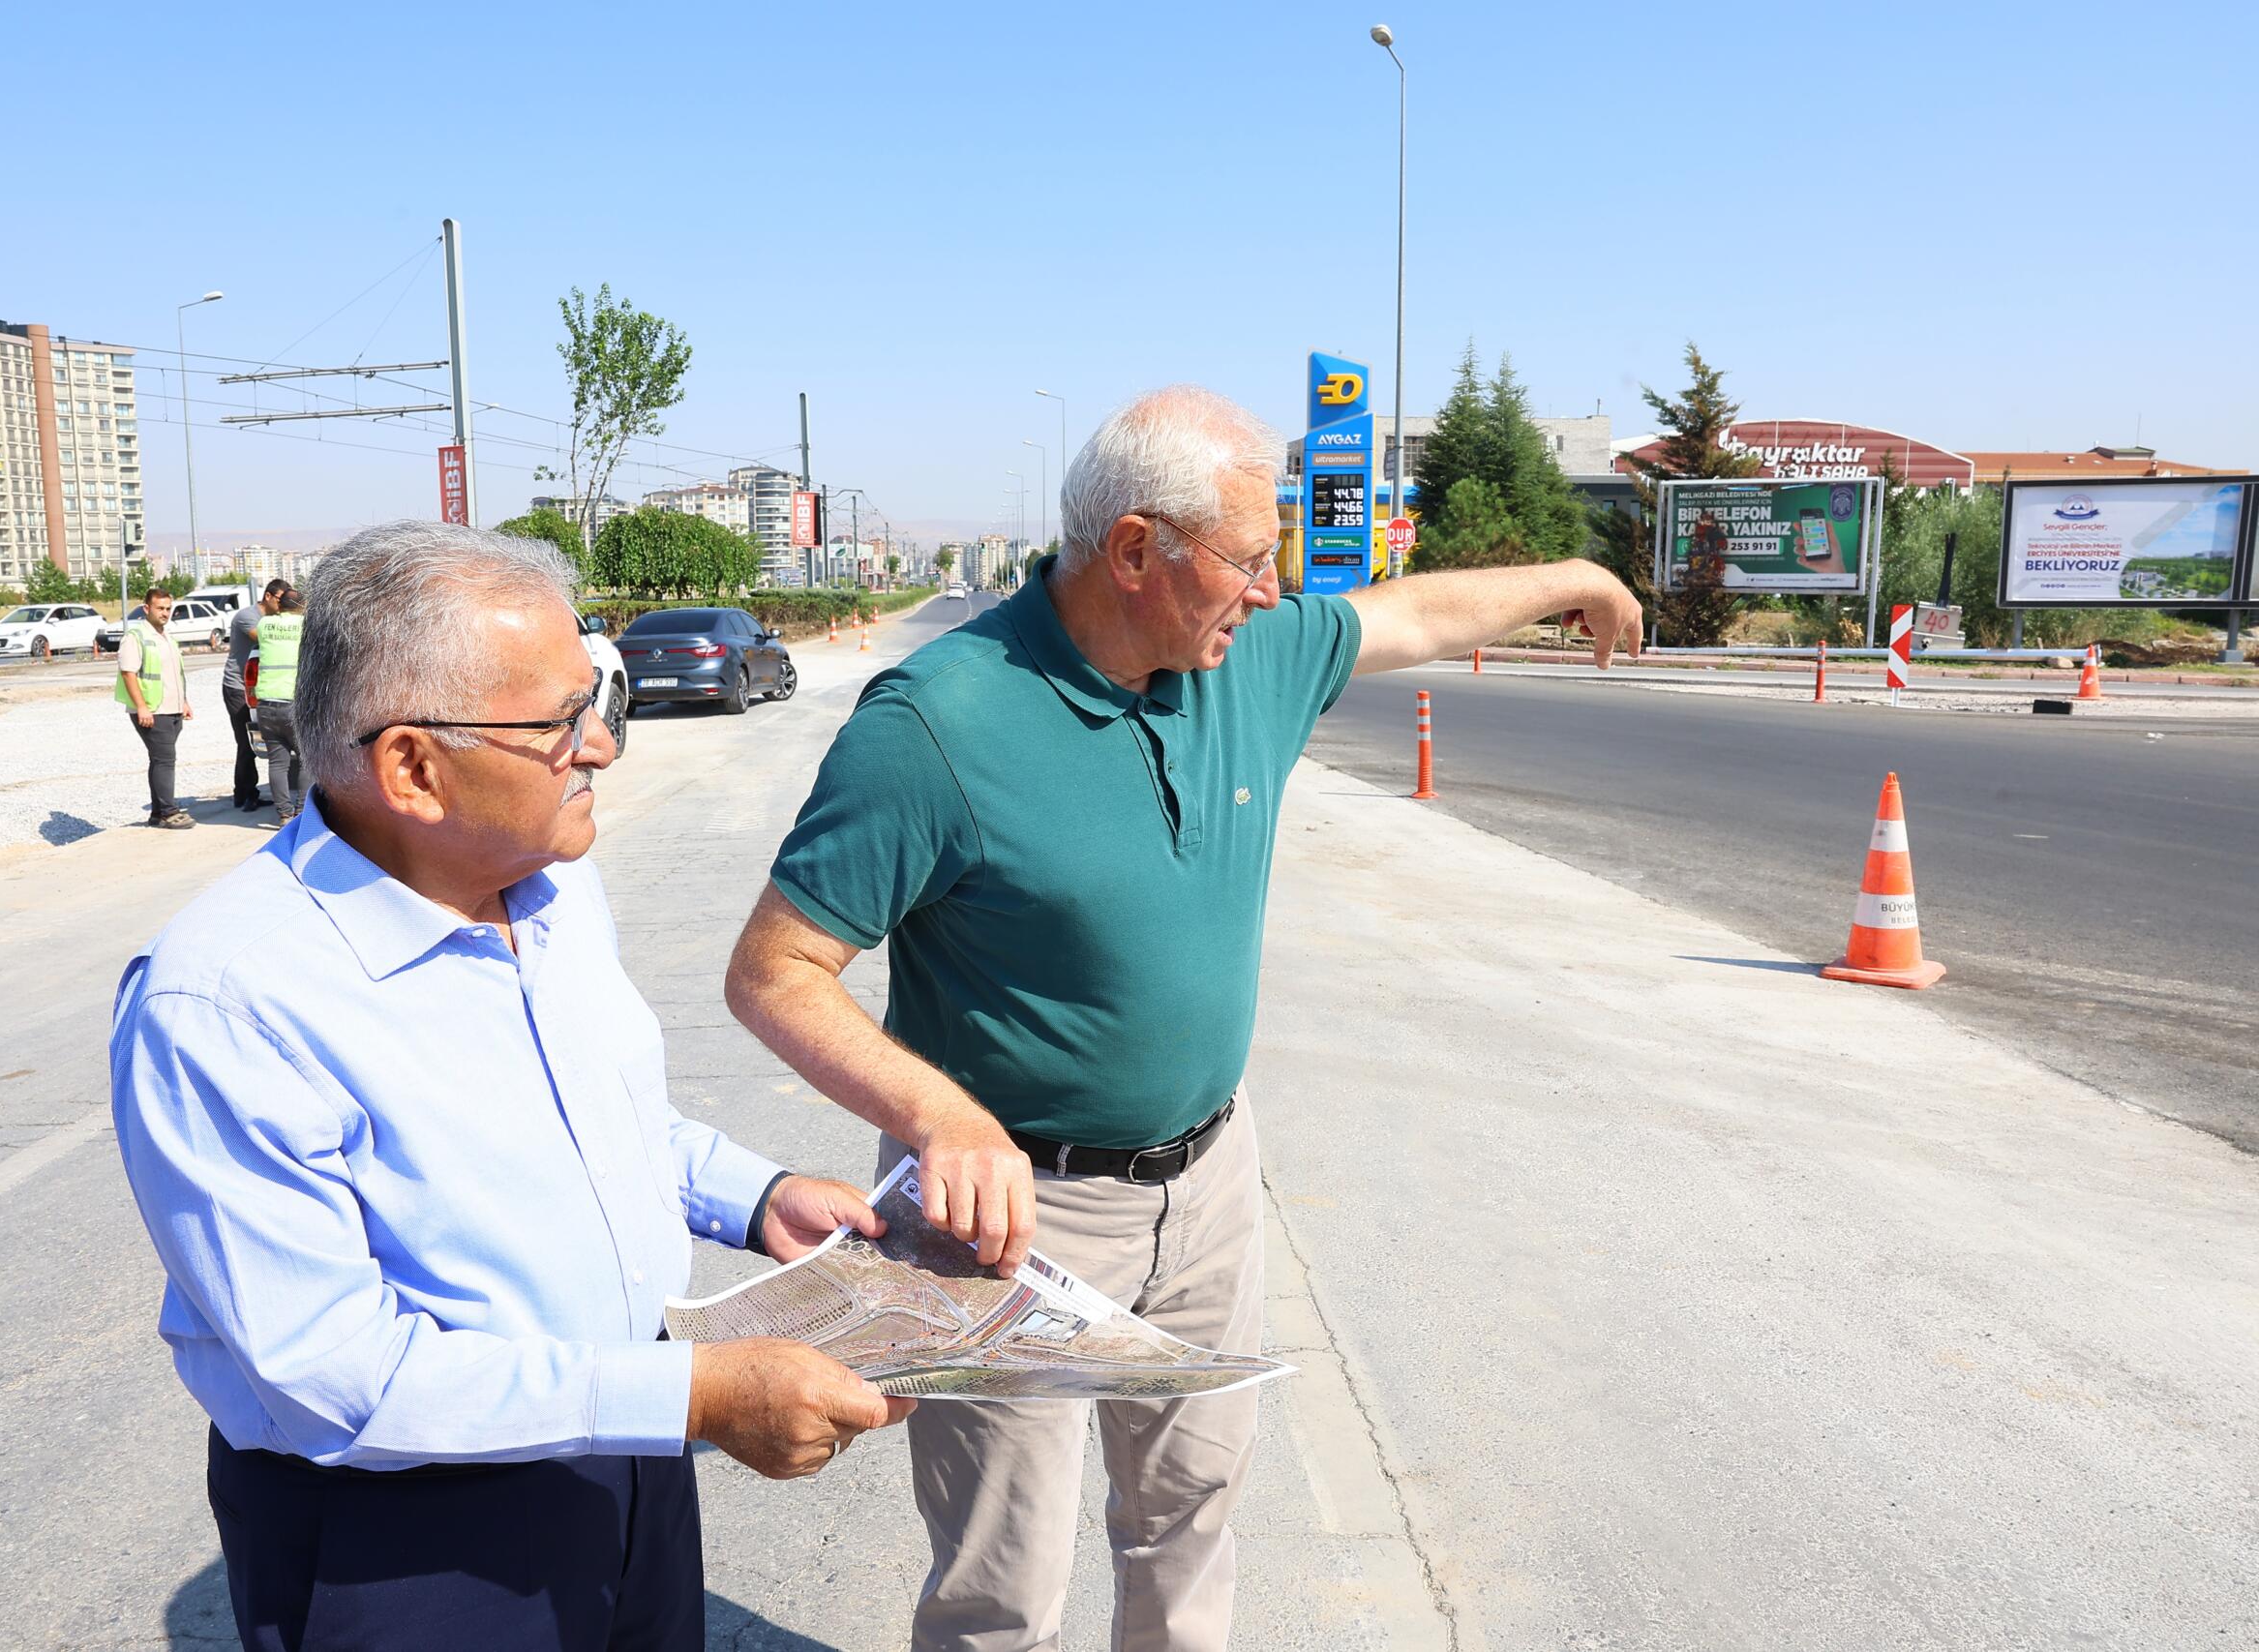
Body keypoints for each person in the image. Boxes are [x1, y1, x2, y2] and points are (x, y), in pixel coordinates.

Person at [724, 386, 1643, 1652]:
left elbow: (1415, 610)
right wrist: (936, 1112)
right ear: (1138, 551)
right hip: (1010, 1221)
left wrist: (1576, 572)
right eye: (1251, 562)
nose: (1273, 593)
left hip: (1209, 1186)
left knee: (1189, 1520)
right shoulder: (938, 723)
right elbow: (775, 968)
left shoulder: (1240, 655)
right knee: (1005, 1582)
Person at [110, 520, 914, 1651]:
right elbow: (337, 1377)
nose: (602, 747)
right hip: (406, 1537)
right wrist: (698, 1398)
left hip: (620, 1457)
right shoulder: (227, 1002)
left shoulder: (542, 886)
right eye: (559, 724)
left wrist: (756, 1194)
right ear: (412, 768)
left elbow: (605, 1119)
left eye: (598, 703)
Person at [116, 586, 196, 829]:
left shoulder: (167, 637)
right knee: (165, 759)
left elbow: (174, 674)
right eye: (160, 608)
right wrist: (141, 707)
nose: (165, 613)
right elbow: (128, 673)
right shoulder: (136, 637)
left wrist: (183, 701)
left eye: (168, 608)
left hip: (171, 708)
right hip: (152, 709)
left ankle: (158, 813)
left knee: (160, 759)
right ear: (146, 608)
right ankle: (168, 813)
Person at [222, 580, 290, 812]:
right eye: (281, 599)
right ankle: (245, 794)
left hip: (257, 688)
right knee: (245, 743)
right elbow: (267, 641)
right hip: (237, 686)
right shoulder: (247, 617)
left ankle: (245, 792)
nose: (283, 605)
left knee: (251, 745)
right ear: (268, 596)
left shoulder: (273, 620)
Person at [248, 586, 306, 823]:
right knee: (306, 761)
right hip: (294, 703)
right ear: (301, 607)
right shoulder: (305, 626)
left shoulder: (264, 625)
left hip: (266, 704)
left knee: (278, 762)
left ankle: (284, 814)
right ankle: (301, 812)